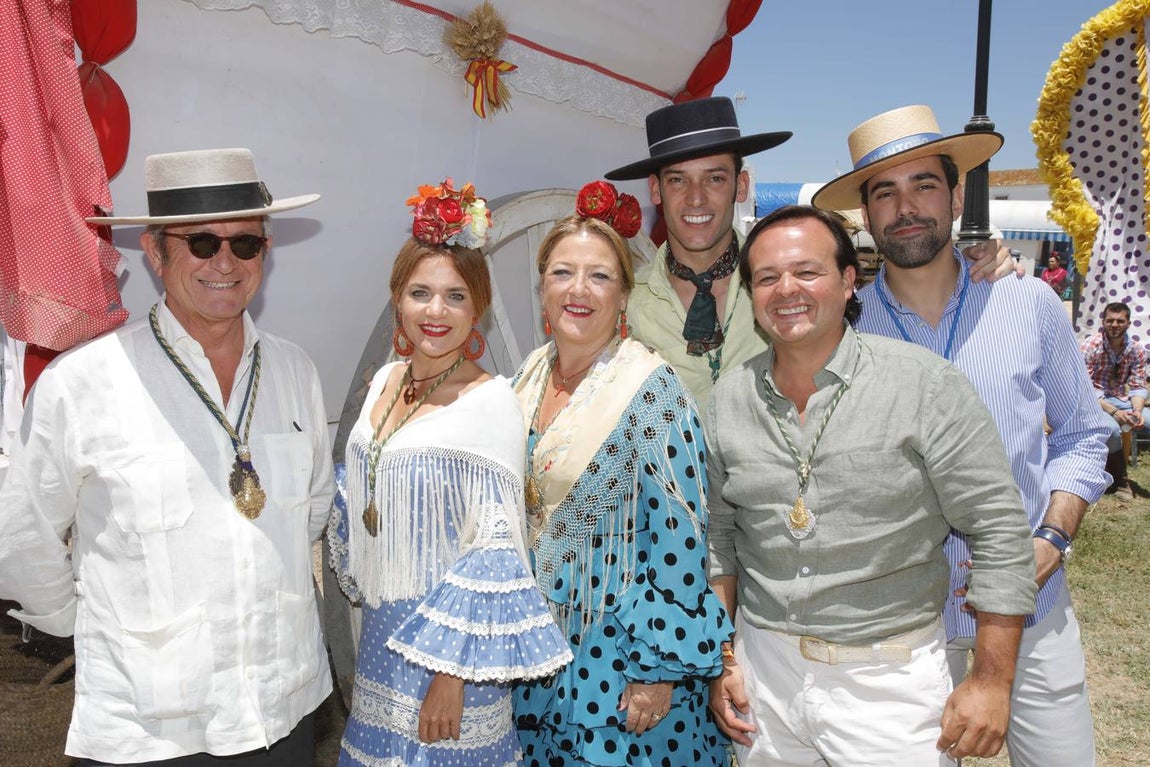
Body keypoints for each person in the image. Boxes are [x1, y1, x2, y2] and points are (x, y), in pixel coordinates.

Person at [0, 148, 334, 765]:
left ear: (266, 251)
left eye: (246, 244)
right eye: (201, 243)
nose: (226, 263)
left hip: (282, 707)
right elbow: (22, 537)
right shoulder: (84, 383)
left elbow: (311, 511)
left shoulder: (295, 372)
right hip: (148, 728)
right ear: (154, 254)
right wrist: (95, 632)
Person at [813, 105, 1112, 767]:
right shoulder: (844, 334)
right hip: (903, 630)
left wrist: (1051, 538)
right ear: (865, 214)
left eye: (924, 184)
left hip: (1032, 609)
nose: (906, 207)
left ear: (954, 198)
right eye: (884, 192)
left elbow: (1085, 435)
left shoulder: (1027, 303)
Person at [705, 205, 1037, 765]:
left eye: (807, 271)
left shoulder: (924, 385)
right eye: (766, 277)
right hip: (763, 676)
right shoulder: (728, 400)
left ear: (846, 280)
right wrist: (724, 659)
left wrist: (990, 680)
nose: (786, 290)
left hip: (889, 682)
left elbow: (999, 528)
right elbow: (720, 539)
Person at [328, 179, 571, 766]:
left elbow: (494, 547)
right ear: (398, 299)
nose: (435, 311)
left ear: (476, 308)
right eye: (420, 293)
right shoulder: (384, 383)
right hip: (384, 636)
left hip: (451, 657)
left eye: (455, 296)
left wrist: (451, 674)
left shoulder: (491, 402)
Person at [605, 97, 1015, 411]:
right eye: (678, 180)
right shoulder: (624, 303)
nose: (696, 198)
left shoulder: (797, 289)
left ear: (741, 185)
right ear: (656, 190)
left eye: (715, 178)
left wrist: (975, 260)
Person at [512, 182, 732, 766]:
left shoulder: (653, 393)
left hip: (621, 665)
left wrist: (656, 671)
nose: (578, 289)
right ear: (542, 290)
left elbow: (680, 545)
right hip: (539, 651)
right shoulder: (529, 376)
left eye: (600, 276)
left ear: (624, 297)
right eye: (562, 273)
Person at [1081, 301, 1149, 501]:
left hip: (1120, 399)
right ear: (1103, 322)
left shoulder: (1136, 349)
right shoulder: (1090, 346)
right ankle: (1120, 480)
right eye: (1110, 320)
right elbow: (1084, 389)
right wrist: (1114, 412)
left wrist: (1137, 412)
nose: (1114, 325)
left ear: (1128, 323)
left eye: (1120, 321)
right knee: (1111, 429)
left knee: (1146, 419)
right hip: (1093, 402)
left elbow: (1138, 385)